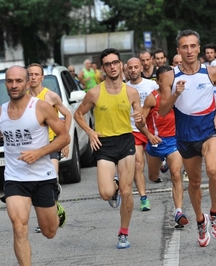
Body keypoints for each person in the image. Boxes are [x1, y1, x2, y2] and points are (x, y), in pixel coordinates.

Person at [0, 66, 69, 265]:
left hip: (43, 177)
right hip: (15, 178)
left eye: (19, 81)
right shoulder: (0, 112)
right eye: (10, 81)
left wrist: (39, 152)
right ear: (6, 84)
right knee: (19, 227)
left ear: (27, 83)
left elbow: (64, 137)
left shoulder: (41, 107)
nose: (14, 85)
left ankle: (55, 206)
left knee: (49, 232)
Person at [158, 29, 216, 247]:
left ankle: (215, 214)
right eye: (184, 47)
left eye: (193, 46)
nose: (189, 50)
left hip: (209, 129)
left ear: (199, 48)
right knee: (196, 181)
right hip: (186, 135)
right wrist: (176, 94)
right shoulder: (170, 77)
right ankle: (201, 220)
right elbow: (162, 110)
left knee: (212, 170)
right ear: (178, 50)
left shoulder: (212, 72)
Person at [74, 48, 145, 249]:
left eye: (115, 62)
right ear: (103, 68)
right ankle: (113, 189)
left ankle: (123, 233)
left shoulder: (131, 92)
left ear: (120, 65)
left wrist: (140, 119)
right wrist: (90, 132)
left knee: (127, 191)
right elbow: (78, 114)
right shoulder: (94, 92)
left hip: (125, 141)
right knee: (106, 193)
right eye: (108, 64)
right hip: (104, 143)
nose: (112, 67)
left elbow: (139, 121)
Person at [137, 65, 188, 227]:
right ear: (158, 81)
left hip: (174, 141)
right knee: (152, 177)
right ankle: (161, 165)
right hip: (156, 143)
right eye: (165, 79)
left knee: (176, 175)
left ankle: (178, 211)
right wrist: (149, 136)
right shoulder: (152, 98)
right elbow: (140, 123)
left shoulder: (179, 96)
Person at [27, 63, 72, 233]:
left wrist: (65, 140)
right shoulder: (24, 99)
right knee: (35, 185)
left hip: (51, 144)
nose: (33, 77)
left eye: (36, 74)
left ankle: (52, 213)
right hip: (34, 148)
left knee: (51, 179)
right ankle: (47, 216)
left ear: (42, 77)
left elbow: (67, 114)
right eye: (30, 74)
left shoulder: (51, 96)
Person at [126, 57, 159, 212]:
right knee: (138, 164)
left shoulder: (152, 84)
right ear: (126, 70)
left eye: (135, 67)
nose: (133, 70)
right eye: (130, 68)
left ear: (141, 68)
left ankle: (161, 165)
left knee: (154, 172)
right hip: (134, 131)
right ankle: (143, 198)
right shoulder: (123, 88)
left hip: (153, 130)